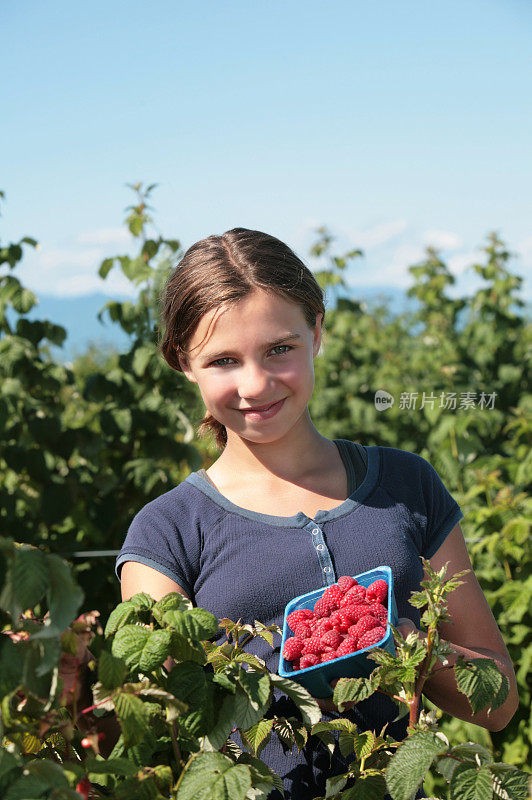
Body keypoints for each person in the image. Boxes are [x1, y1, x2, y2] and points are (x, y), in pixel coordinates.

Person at [116, 228, 518, 799]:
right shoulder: (167, 533)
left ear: (317, 333)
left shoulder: (406, 487)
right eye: (223, 360)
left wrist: (409, 650)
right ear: (184, 362)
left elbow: (498, 701)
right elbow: (166, 717)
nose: (256, 384)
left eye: (280, 348)